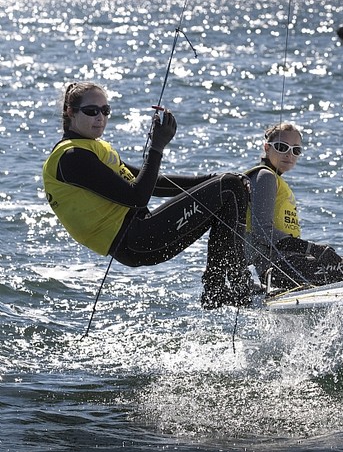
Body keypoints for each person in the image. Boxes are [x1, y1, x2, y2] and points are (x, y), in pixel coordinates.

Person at [42, 82, 251, 309]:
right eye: (92, 111)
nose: (100, 117)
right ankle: (229, 286)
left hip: (142, 236)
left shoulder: (93, 149)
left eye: (105, 111)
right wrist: (157, 146)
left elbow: (156, 185)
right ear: (70, 112)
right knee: (229, 188)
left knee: (229, 188)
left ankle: (220, 288)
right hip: (136, 241)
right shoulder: (72, 157)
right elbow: (137, 197)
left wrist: (213, 179)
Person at [245, 123, 343, 290]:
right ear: (267, 148)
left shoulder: (273, 179)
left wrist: (312, 250)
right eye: (282, 147)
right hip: (282, 268)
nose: (289, 154)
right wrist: (313, 249)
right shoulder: (265, 176)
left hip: (289, 266)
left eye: (295, 150)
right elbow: (262, 232)